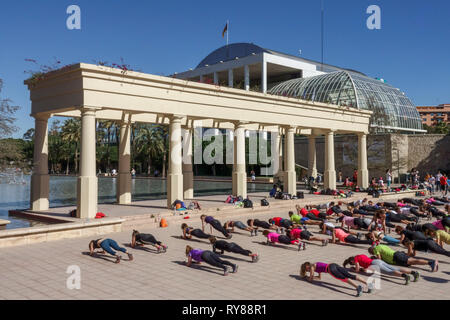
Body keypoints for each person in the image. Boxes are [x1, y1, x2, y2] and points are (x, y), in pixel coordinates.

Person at [300, 262, 373, 297]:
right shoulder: (316, 265)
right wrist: (313, 277)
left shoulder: (312, 267)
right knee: (351, 275)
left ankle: (358, 287)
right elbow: (319, 278)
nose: (308, 270)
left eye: (307, 269)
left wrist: (306, 278)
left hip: (331, 269)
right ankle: (368, 284)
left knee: (344, 279)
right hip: (333, 265)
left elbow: (311, 279)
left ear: (307, 266)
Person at [343, 255, 419, 285]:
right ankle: (413, 272)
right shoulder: (361, 255)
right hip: (377, 261)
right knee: (396, 268)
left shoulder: (355, 259)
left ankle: (404, 276)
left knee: (389, 272)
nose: (353, 264)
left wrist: (353, 270)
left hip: (374, 264)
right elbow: (366, 265)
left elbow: (357, 269)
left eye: (351, 263)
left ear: (351, 261)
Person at [368, 245, 438, 272]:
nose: (373, 254)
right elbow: (384, 255)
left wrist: (374, 259)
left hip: (396, 256)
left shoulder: (376, 249)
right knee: (413, 262)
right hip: (397, 255)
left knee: (413, 261)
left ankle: (431, 262)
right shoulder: (380, 246)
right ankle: (430, 263)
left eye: (372, 253)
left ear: (371, 250)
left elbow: (379, 259)